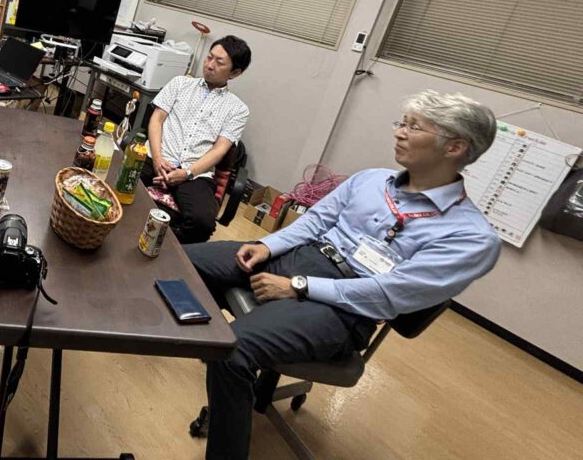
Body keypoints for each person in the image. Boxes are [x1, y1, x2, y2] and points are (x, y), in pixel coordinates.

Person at [185, 90, 502, 460]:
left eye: (414, 127)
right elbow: (316, 221)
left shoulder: (472, 237)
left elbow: (388, 294)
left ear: (455, 147)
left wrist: (300, 287)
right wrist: (267, 246)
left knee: (232, 351)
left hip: (344, 307)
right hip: (299, 258)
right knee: (178, 260)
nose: (399, 132)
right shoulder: (372, 180)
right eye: (401, 123)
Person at [141, 36, 251, 243]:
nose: (209, 65)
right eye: (209, 57)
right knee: (116, 180)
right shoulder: (180, 83)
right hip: (156, 157)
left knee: (202, 223)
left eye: (219, 62)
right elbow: (156, 120)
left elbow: (220, 150)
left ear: (235, 73)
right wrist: (157, 158)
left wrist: (187, 173)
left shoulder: (238, 109)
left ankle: (165, 249)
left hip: (195, 173)